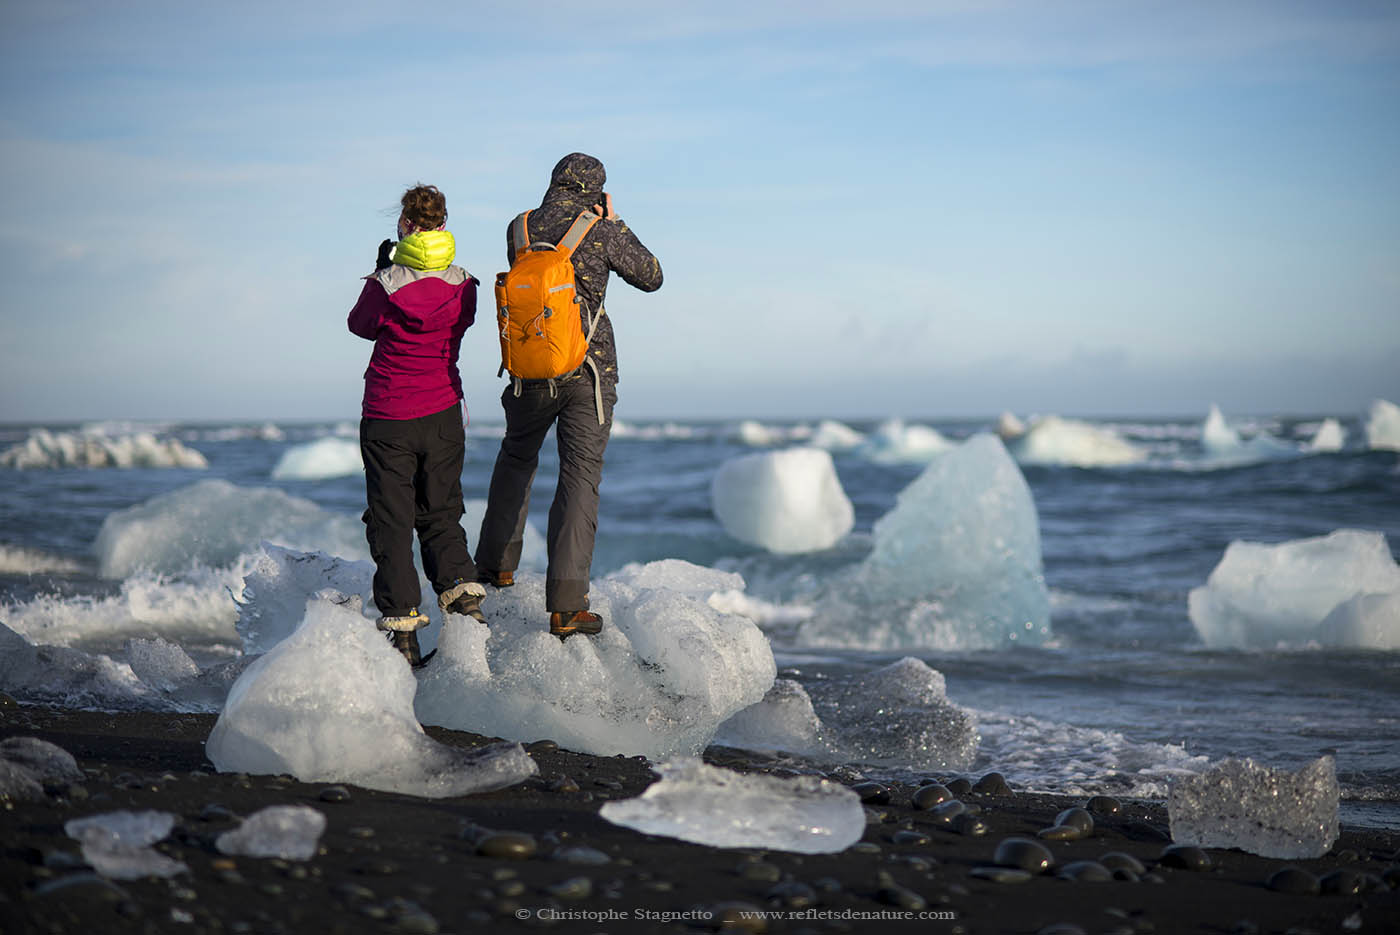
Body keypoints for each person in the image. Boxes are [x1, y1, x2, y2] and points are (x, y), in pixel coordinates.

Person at [476, 153, 663, 639]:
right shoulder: (601, 228)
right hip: (587, 371)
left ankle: (494, 567)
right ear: (596, 189)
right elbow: (652, 275)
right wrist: (616, 222)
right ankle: (566, 605)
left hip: (528, 370)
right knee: (579, 477)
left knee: (515, 460)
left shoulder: (519, 228)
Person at [348, 183, 488, 667]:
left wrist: (387, 268)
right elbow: (460, 323)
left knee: (392, 521)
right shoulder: (464, 283)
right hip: (444, 412)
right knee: (442, 514)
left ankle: (404, 638)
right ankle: (468, 616)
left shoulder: (384, 285)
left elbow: (359, 325)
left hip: (389, 415)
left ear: (405, 225)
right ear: (443, 226)